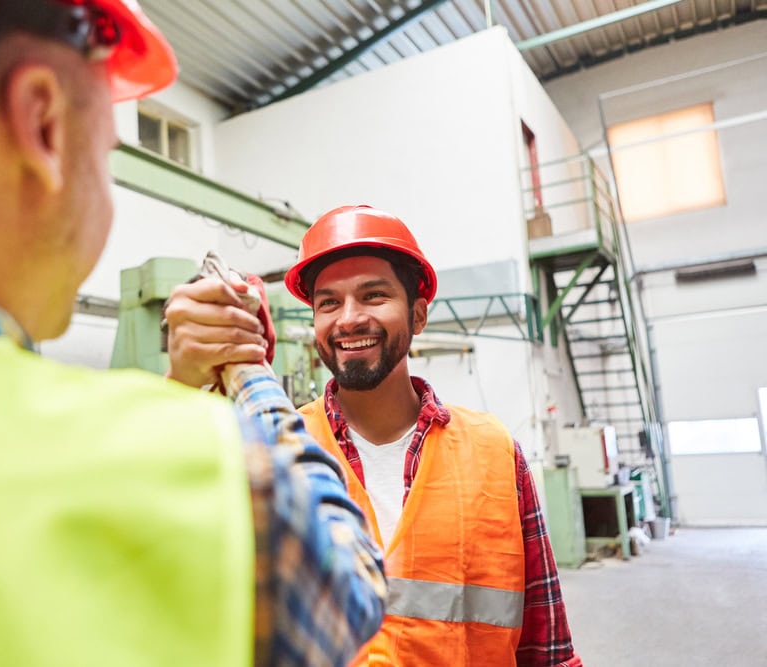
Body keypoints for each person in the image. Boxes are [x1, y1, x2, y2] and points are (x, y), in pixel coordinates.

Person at [0, 3, 386, 665]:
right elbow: (350, 572)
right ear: (42, 123)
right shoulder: (216, 480)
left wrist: (181, 385)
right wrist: (248, 369)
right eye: (111, 151)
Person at [167, 205, 583, 666]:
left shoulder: (495, 451)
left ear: (419, 315)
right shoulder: (269, 446)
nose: (348, 319)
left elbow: (549, 651)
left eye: (373, 296)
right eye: (328, 303)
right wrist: (184, 378)